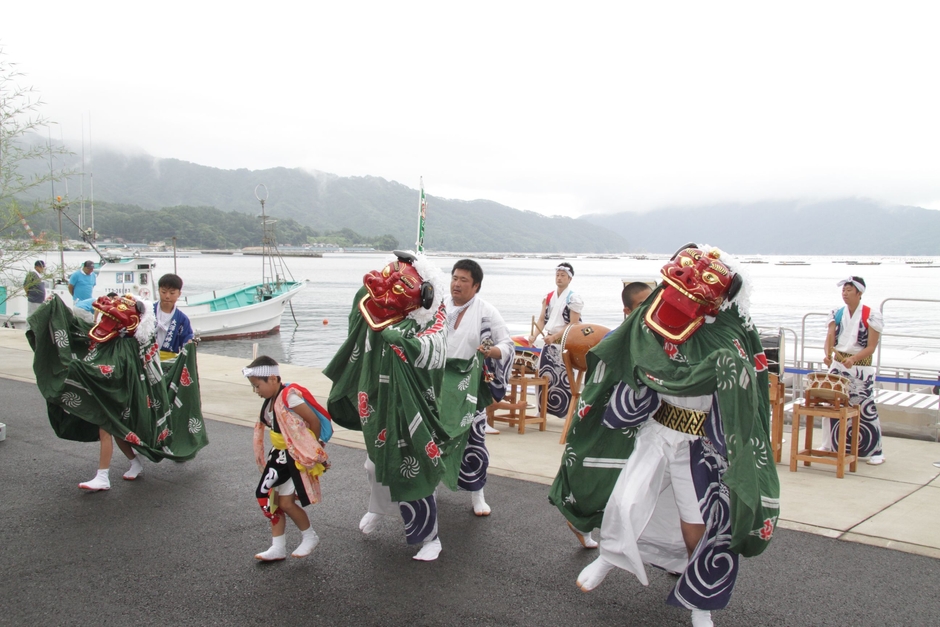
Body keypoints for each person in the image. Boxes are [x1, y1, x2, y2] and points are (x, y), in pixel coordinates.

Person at [549, 245, 780, 627]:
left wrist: (722, 371)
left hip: (699, 443)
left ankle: (699, 602)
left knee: (697, 524)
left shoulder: (730, 332)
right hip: (657, 430)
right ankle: (608, 557)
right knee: (624, 501)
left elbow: (746, 388)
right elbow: (625, 350)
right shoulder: (654, 315)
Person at [324, 251, 453, 561]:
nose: (385, 290)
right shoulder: (376, 308)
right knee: (374, 464)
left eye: (398, 287)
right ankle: (377, 508)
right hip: (378, 400)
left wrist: (404, 340)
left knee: (415, 471)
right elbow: (360, 311)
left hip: (412, 407)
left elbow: (434, 347)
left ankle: (429, 537)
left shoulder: (431, 318)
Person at [27, 293, 208, 492]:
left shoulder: (128, 346)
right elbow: (79, 331)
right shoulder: (115, 340)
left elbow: (114, 371)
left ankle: (103, 476)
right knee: (119, 433)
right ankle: (135, 463)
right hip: (111, 396)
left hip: (120, 398)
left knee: (107, 430)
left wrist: (81, 369)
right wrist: (56, 306)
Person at [441, 259, 513, 515]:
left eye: (463, 280)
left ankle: (477, 495)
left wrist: (491, 351)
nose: (456, 284)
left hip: (468, 386)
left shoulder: (487, 312)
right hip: (438, 385)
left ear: (476, 286)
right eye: (454, 278)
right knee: (432, 440)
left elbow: (507, 345)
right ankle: (426, 489)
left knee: (474, 442)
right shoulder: (438, 307)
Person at [244, 355, 331, 561]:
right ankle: (278, 546)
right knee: (272, 499)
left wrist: (312, 450)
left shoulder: (289, 397)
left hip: (294, 457)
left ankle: (309, 536)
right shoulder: (270, 400)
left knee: (285, 502)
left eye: (257, 386)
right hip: (279, 456)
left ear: (273, 379)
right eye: (254, 387)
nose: (256, 391)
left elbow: (312, 421)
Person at [822, 276, 885, 465]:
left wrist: (854, 359)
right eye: (843, 290)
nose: (845, 293)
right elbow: (830, 337)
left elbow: (871, 346)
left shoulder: (870, 315)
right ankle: (830, 445)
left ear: (859, 293)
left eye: (849, 290)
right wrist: (827, 354)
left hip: (860, 367)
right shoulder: (837, 313)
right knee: (831, 405)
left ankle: (875, 451)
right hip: (838, 365)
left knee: (864, 408)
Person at [527, 262, 584, 417]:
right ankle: (542, 410)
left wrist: (554, 337)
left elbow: (574, 324)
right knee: (543, 375)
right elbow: (541, 319)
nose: (559, 278)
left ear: (570, 279)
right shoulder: (549, 297)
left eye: (563, 275)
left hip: (565, 342)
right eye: (557, 275)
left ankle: (566, 412)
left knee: (564, 378)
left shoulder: (574, 298)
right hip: (549, 341)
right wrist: (534, 335)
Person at [154, 273, 194, 357]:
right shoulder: (148, 312)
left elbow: (187, 341)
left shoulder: (182, 319)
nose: (167, 296)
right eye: (163, 292)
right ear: (158, 291)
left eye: (172, 293)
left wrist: (189, 343)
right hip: (148, 359)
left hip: (170, 362)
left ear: (179, 293)